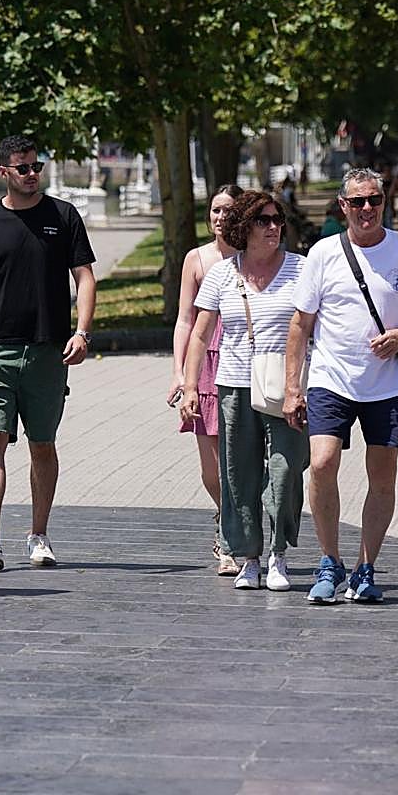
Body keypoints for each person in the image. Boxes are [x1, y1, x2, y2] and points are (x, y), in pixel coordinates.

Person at [283, 167, 398, 604]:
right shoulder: (323, 253)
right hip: (330, 377)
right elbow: (301, 324)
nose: (366, 209)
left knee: (383, 478)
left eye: (374, 200)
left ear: (384, 202)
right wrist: (292, 388)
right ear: (343, 207)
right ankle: (329, 560)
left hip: (386, 385)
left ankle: (365, 568)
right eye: (357, 202)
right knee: (321, 464)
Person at [0, 135, 96, 572]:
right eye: (23, 167)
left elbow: (85, 279)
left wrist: (83, 333)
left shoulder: (63, 216)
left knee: (42, 445)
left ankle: (38, 534)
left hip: (46, 351)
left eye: (37, 165)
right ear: (4, 173)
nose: (33, 173)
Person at [180, 191, 309, 591]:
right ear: (244, 227)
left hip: (285, 385)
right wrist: (188, 386)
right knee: (239, 475)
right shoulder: (221, 274)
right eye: (263, 220)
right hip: (234, 384)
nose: (273, 228)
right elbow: (200, 334)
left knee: (286, 470)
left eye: (277, 220)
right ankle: (249, 556)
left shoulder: (301, 269)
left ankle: (280, 553)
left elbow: (314, 327)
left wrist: (306, 384)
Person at [168, 184, 243, 575]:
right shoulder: (196, 259)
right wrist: (180, 373)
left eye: (228, 210)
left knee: (240, 459)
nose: (220, 217)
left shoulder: (254, 257)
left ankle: (233, 537)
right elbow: (184, 320)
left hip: (242, 360)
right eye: (214, 210)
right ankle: (224, 515)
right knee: (212, 465)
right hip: (205, 363)